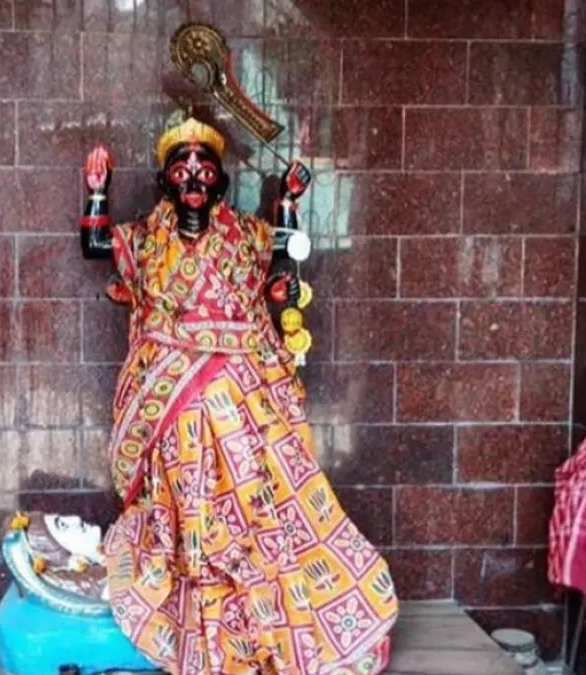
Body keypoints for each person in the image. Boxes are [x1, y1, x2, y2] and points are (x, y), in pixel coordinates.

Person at [80, 113, 397, 675]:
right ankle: (197, 606)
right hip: (169, 397)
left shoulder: (246, 234)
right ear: (165, 180)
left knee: (258, 501)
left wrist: (290, 198)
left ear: (221, 179)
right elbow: (96, 242)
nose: (195, 176)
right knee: (184, 498)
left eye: (205, 167)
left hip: (241, 397)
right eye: (183, 167)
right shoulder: (147, 239)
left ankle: (269, 602)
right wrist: (98, 189)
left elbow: (285, 246)